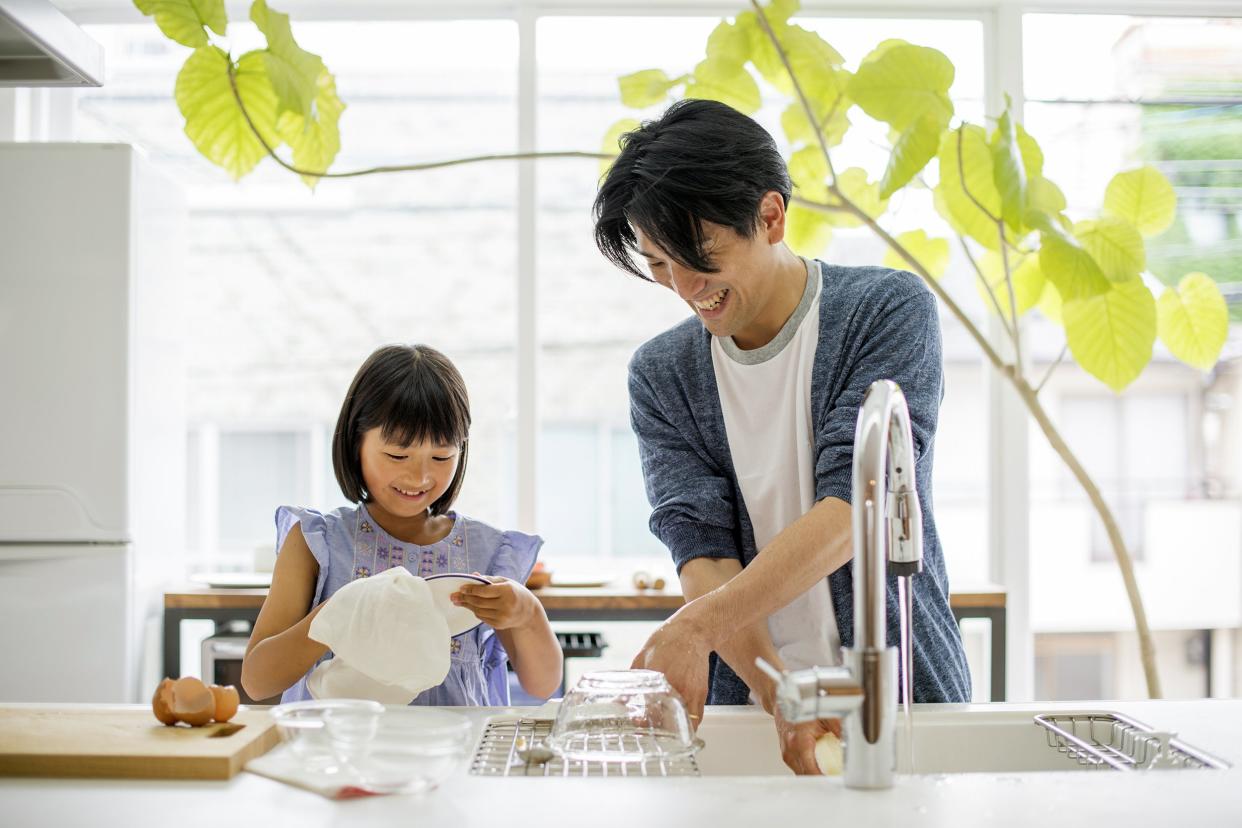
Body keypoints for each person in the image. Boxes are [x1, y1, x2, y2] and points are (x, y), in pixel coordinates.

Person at [593, 99, 971, 774]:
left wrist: (698, 626)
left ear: (770, 216)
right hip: (758, 712)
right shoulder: (664, 374)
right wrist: (779, 692)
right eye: (657, 264)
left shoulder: (885, 312)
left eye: (698, 257)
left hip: (907, 698)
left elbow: (852, 509)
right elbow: (700, 551)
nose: (684, 288)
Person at [241, 344, 562, 705]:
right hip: (340, 754)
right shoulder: (319, 542)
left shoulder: (488, 551)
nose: (420, 475)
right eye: (397, 454)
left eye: (442, 456)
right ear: (355, 442)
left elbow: (542, 684)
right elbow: (257, 681)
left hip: (450, 755)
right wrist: (337, 615)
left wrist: (527, 613)